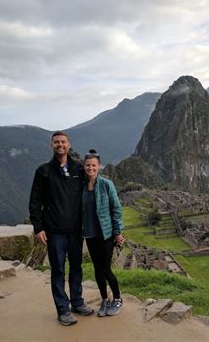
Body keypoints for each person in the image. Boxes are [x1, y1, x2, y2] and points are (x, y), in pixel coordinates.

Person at [29, 131, 94, 326]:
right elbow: (35, 201)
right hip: (54, 231)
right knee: (57, 270)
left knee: (76, 267)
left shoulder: (78, 169)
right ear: (51, 145)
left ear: (69, 144)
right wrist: (38, 227)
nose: (60, 145)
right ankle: (62, 309)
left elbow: (90, 193)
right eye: (56, 142)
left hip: (75, 230)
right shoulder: (44, 171)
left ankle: (77, 302)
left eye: (63, 142)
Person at [82, 149, 125, 317]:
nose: (90, 168)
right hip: (90, 235)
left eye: (93, 165)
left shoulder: (107, 185)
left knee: (106, 269)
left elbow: (116, 209)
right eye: (87, 165)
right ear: (84, 166)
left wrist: (117, 232)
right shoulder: (82, 187)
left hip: (106, 235)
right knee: (97, 270)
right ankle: (104, 299)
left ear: (99, 166)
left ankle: (118, 298)